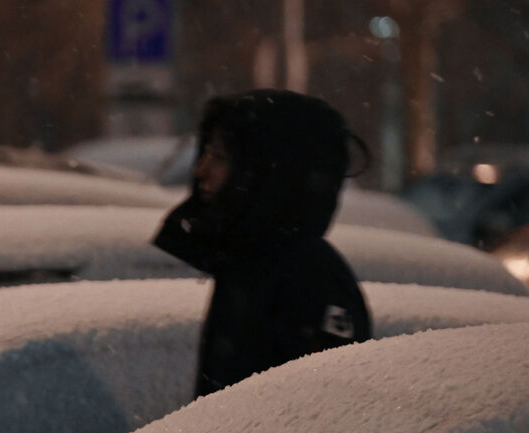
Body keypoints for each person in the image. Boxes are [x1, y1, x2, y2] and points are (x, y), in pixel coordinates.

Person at [153, 89, 372, 398]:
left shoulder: (309, 280)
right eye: (205, 154)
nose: (201, 171)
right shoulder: (248, 264)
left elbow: (319, 421)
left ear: (262, 172)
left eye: (219, 157)